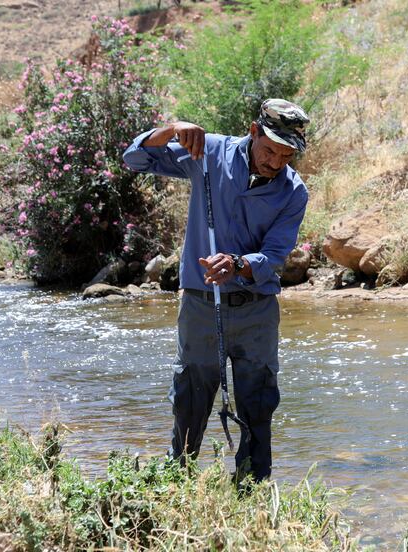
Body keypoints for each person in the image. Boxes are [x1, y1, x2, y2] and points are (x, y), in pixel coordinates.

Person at [122, 99, 310, 482]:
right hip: (201, 306)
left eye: (286, 155)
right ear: (253, 131)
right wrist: (172, 129)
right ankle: (179, 483)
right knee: (190, 400)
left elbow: (274, 255)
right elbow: (134, 158)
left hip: (256, 310)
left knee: (258, 405)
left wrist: (239, 264)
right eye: (270, 150)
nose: (275, 163)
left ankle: (252, 491)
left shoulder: (294, 192)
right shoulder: (207, 152)